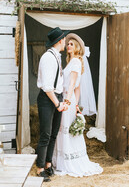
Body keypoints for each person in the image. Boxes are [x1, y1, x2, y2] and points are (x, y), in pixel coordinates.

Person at [53, 33, 103, 177]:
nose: (68, 46)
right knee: (64, 130)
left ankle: (69, 161)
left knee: (67, 131)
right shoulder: (71, 61)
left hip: (67, 100)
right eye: (67, 44)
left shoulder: (75, 62)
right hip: (68, 100)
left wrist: (68, 103)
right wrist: (76, 105)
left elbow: (74, 85)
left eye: (71, 45)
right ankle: (62, 160)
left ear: (77, 48)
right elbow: (78, 89)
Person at [36, 27, 69, 182]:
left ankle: (48, 165)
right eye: (65, 39)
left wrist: (61, 100)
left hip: (57, 97)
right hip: (47, 98)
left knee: (54, 133)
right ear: (60, 40)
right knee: (46, 134)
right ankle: (40, 168)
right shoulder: (48, 57)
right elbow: (48, 87)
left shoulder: (56, 56)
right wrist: (57, 104)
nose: (66, 42)